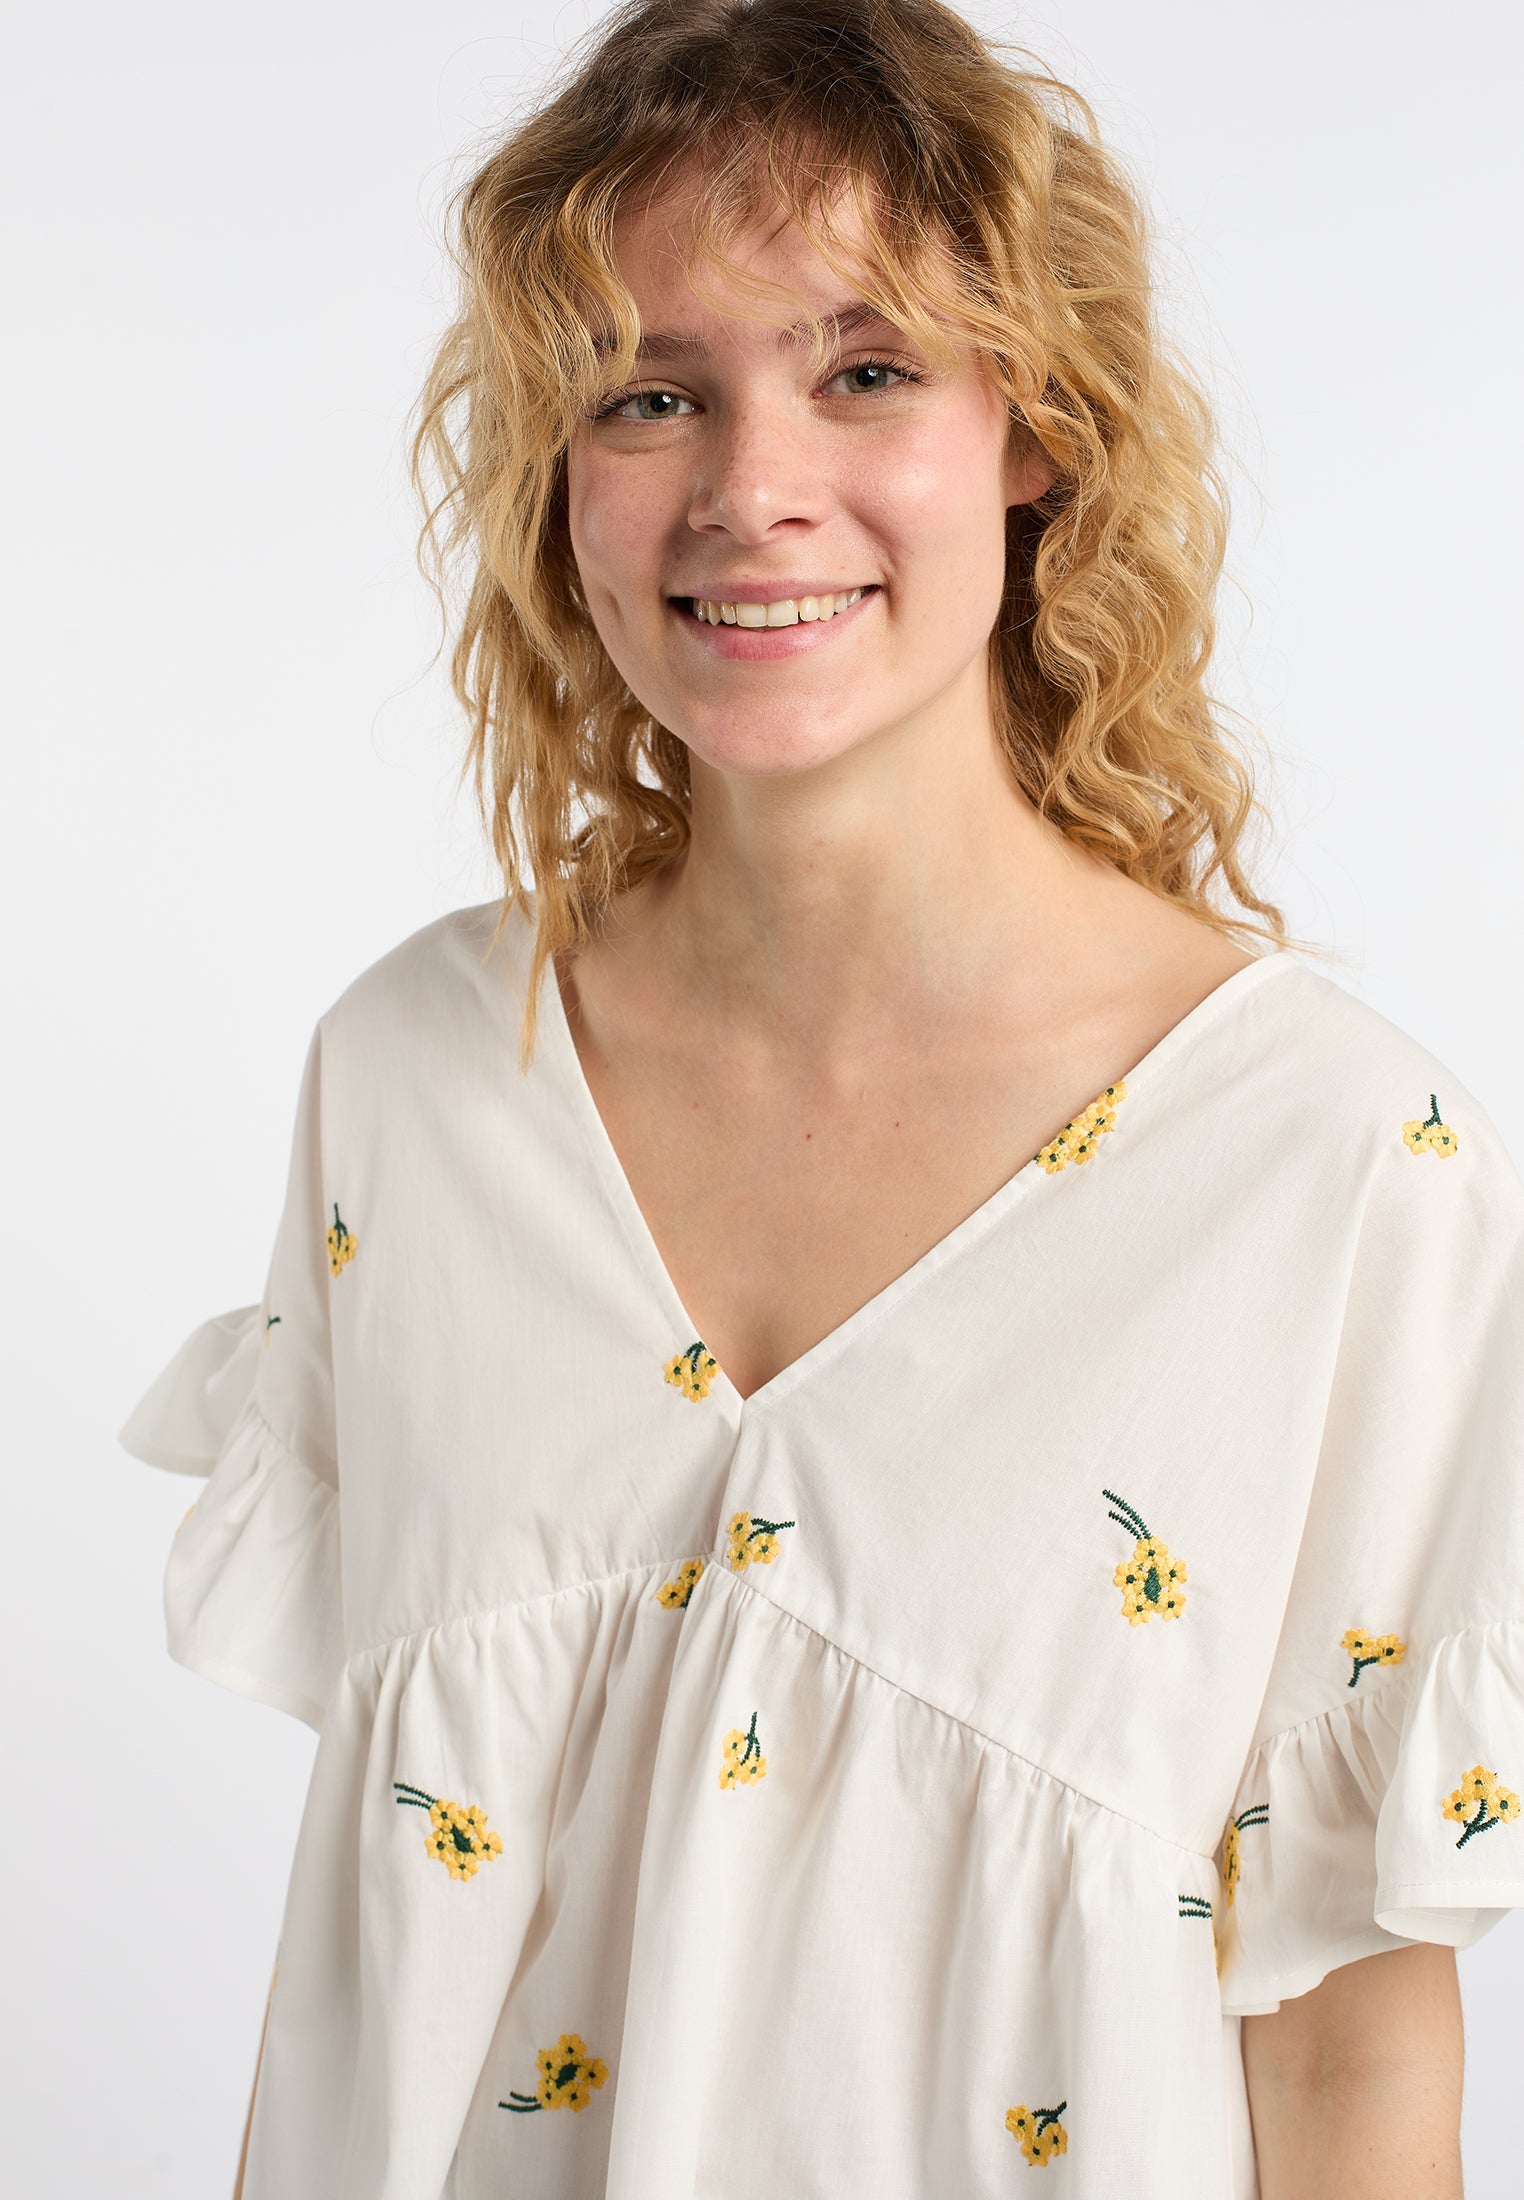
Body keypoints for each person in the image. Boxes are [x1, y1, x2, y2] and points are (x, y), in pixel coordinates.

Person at [118, 1, 1524, 2194]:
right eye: (649, 390)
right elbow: (376, 1975)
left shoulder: (1335, 1167)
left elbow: (1350, 2063)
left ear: (1034, 428)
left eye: (866, 370)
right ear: (561, 474)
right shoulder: (412, 1079)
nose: (751, 488)